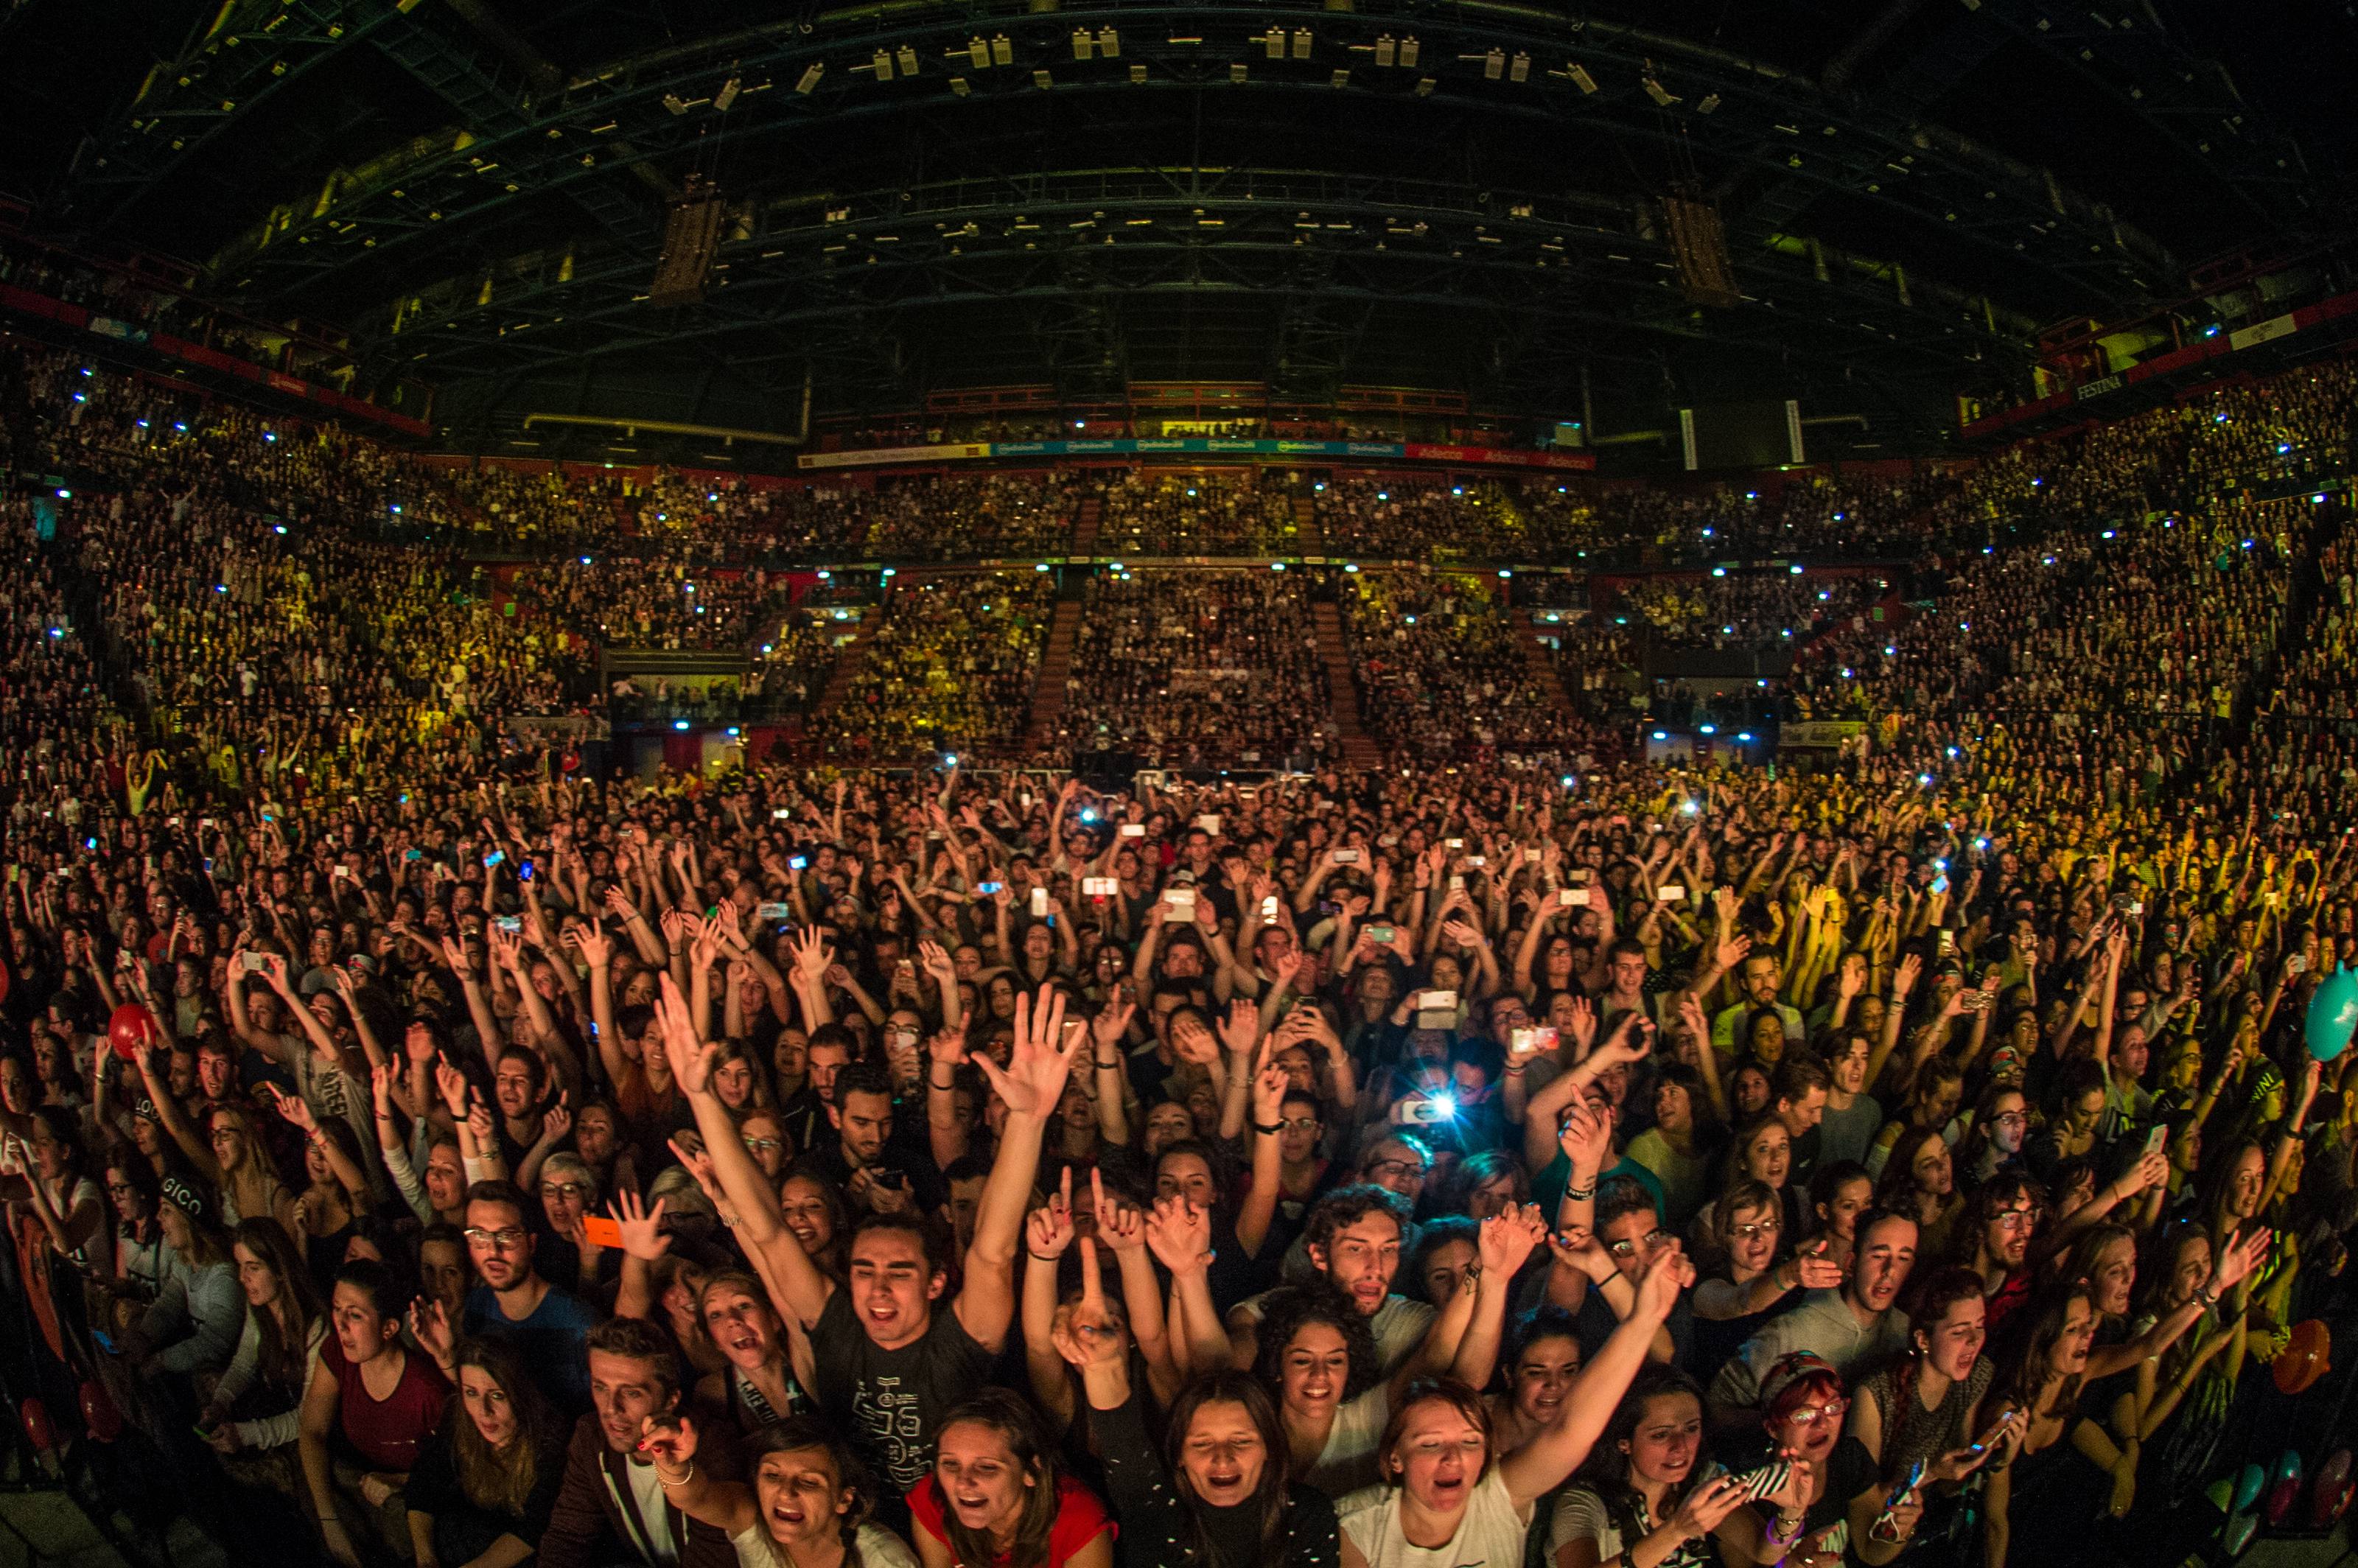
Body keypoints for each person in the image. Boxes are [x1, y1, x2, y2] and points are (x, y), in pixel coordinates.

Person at [676, 977, 1074, 1499]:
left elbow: (993, 1253)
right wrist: (702, 1100)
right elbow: (771, 1232)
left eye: (899, 1272)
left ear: (935, 1284)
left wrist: (1027, 1120)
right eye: (864, 1271)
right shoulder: (840, 1327)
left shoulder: (955, 1345)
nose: (878, 1289)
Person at [1336, 1249, 1687, 1568]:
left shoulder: (1497, 1498)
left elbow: (1572, 1428)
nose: (1453, 1459)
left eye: (1470, 1443)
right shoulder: (1356, 1526)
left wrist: (1644, 1319)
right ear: (1395, 1456)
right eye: (1430, 1444)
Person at [539, 1314, 746, 1568]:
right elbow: (568, 1537)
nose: (611, 1408)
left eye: (631, 1393)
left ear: (671, 1400)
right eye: (601, 1388)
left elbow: (715, 1558)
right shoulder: (591, 1437)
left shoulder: (713, 1446)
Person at [299, 1258, 451, 1568]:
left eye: (354, 1315)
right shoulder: (337, 1353)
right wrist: (330, 1522)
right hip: (359, 1491)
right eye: (337, 1309)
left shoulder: (425, 1389)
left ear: (389, 1328)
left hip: (410, 1510)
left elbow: (459, 1469)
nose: (340, 1326)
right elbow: (312, 1431)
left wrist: (401, 1480)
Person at [639, 1410, 923, 1568]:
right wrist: (673, 1465)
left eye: (809, 1482)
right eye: (772, 1476)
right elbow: (695, 1498)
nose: (786, 1493)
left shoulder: (884, 1559)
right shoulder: (751, 1518)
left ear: (844, 1499)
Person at [1709, 1210, 1917, 1413]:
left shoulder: (1905, 1333)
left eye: (1903, 1259)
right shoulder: (1792, 1332)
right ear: (1851, 1263)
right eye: (1879, 1256)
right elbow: (1718, 1406)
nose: (1890, 1270)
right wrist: (1781, 1427)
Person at [405, 1337, 567, 1568]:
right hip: (455, 1546)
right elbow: (424, 1485)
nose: (484, 1411)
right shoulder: (458, 1417)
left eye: (497, 1395)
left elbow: (534, 1528)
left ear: (520, 1394)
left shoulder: (549, 1440)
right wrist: (426, 1559)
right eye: (471, 1393)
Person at [907, 1388, 1115, 1568]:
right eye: (950, 1464)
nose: (963, 1482)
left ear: (1031, 1471)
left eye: (987, 1467)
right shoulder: (932, 1501)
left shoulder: (1077, 1521)